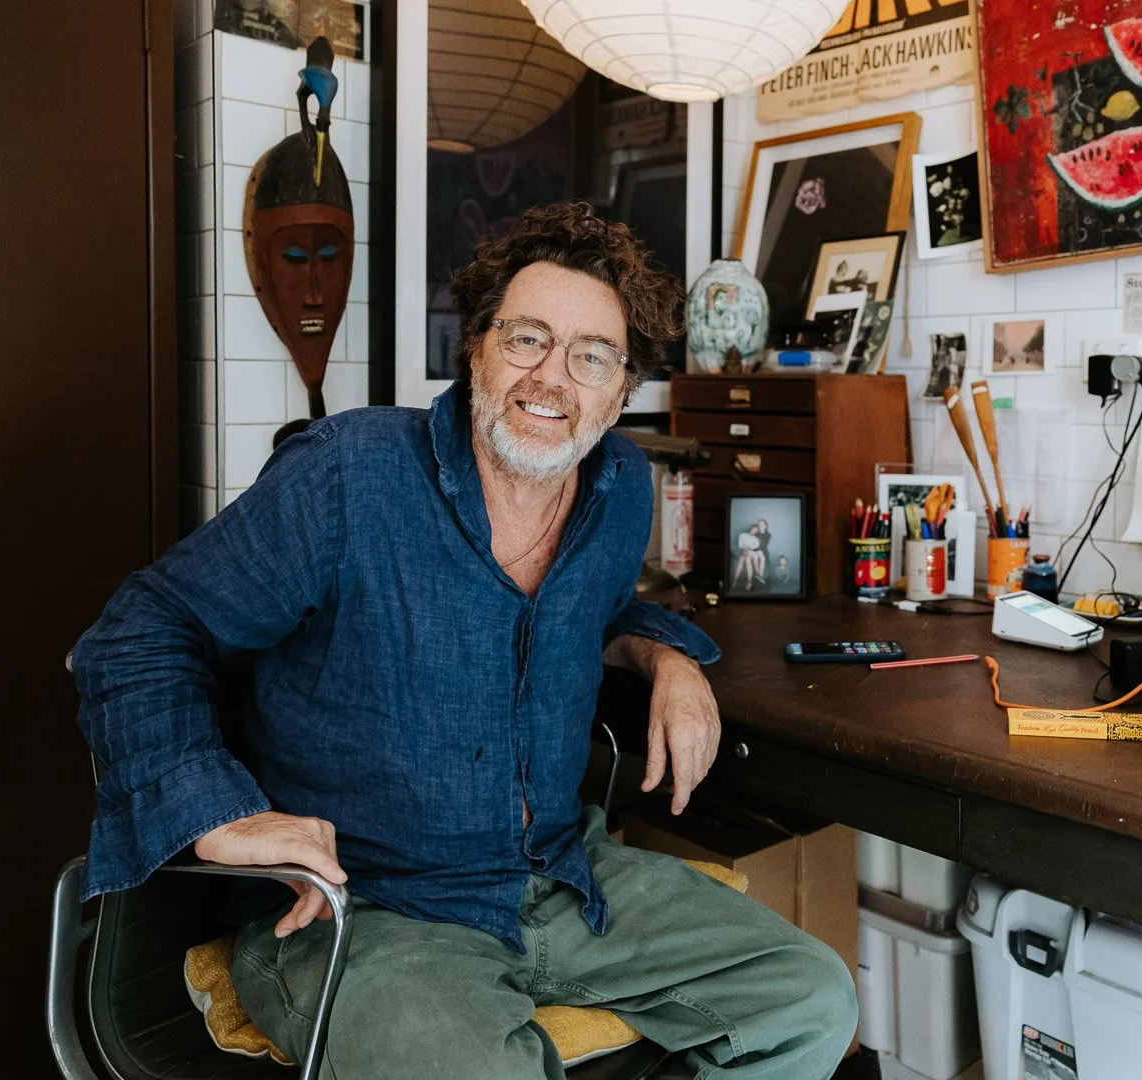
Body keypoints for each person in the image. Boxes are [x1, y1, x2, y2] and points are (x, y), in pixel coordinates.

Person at [72, 202, 857, 1080]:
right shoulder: (348, 473)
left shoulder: (619, 487)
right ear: (477, 346)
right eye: (527, 339)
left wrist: (668, 656)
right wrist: (215, 811)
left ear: (619, 387)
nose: (553, 379)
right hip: (362, 906)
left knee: (810, 999)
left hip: (560, 878)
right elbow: (141, 629)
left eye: (591, 356)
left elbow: (586, 614)